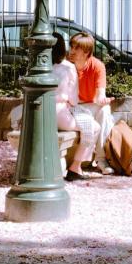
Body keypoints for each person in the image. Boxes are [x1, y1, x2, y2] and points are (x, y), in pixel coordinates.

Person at [51, 32, 100, 182]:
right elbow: (73, 98)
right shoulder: (68, 67)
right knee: (94, 127)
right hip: (59, 113)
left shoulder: (37, 67)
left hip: (38, 112)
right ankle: (76, 166)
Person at [68, 31, 115, 175]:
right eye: (71, 46)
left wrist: (102, 99)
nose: (72, 51)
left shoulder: (97, 66)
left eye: (76, 48)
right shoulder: (66, 63)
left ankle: (101, 159)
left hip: (87, 106)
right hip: (70, 106)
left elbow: (101, 93)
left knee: (104, 110)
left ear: (86, 51)